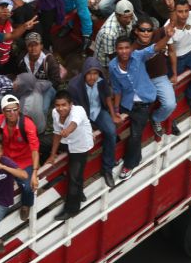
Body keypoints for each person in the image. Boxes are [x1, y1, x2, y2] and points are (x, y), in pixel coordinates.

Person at [109, 28, 175, 179]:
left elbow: (155, 48)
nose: (124, 51)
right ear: (116, 50)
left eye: (126, 48)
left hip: (143, 103)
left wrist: (168, 37)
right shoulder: (113, 66)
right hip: (127, 102)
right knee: (113, 127)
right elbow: (117, 89)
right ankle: (120, 158)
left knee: (135, 135)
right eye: (120, 48)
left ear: (130, 48)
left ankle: (129, 165)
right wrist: (117, 109)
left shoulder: (137, 56)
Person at [0, 95, 39, 221]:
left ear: (19, 108)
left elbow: (35, 149)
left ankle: (26, 205)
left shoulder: (27, 125)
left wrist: (35, 173)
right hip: (6, 158)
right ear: (3, 111)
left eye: (15, 109)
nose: (12, 113)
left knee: (28, 186)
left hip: (25, 161)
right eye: (8, 110)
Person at [68, 57, 120, 187]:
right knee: (84, 142)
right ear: (84, 73)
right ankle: (80, 182)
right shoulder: (74, 86)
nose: (92, 77)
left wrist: (112, 114)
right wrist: (87, 129)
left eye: (95, 73)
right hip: (81, 116)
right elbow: (74, 110)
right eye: (89, 73)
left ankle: (107, 168)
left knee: (111, 131)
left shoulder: (101, 82)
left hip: (98, 111)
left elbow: (107, 96)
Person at [45, 91, 95, 220]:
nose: (60, 108)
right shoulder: (55, 113)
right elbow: (56, 133)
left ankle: (72, 209)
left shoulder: (78, 111)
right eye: (58, 105)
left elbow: (74, 123)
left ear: (71, 105)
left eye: (64, 105)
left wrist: (67, 131)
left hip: (80, 146)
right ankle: (79, 193)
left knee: (74, 178)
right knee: (41, 142)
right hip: (66, 141)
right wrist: (52, 154)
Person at [131, 18, 178, 137]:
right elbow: (155, 48)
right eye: (142, 30)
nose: (146, 33)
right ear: (136, 31)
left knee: (170, 104)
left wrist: (171, 8)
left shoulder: (157, 34)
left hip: (159, 77)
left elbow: (172, 23)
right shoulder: (133, 49)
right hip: (143, 81)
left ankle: (156, 118)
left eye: (149, 30)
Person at [16, 32, 62, 113]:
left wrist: (40, 87)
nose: (33, 48)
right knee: (18, 104)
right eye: (30, 45)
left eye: (36, 45)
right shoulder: (21, 59)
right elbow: (19, 75)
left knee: (42, 109)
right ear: (26, 47)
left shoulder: (49, 60)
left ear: (41, 46)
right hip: (29, 87)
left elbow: (56, 81)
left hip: (48, 88)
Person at [94, 0, 138, 67]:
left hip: (121, 46)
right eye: (125, 18)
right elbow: (112, 56)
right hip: (106, 62)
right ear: (117, 16)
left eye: (130, 16)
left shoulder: (129, 14)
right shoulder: (109, 33)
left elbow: (135, 25)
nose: (129, 20)